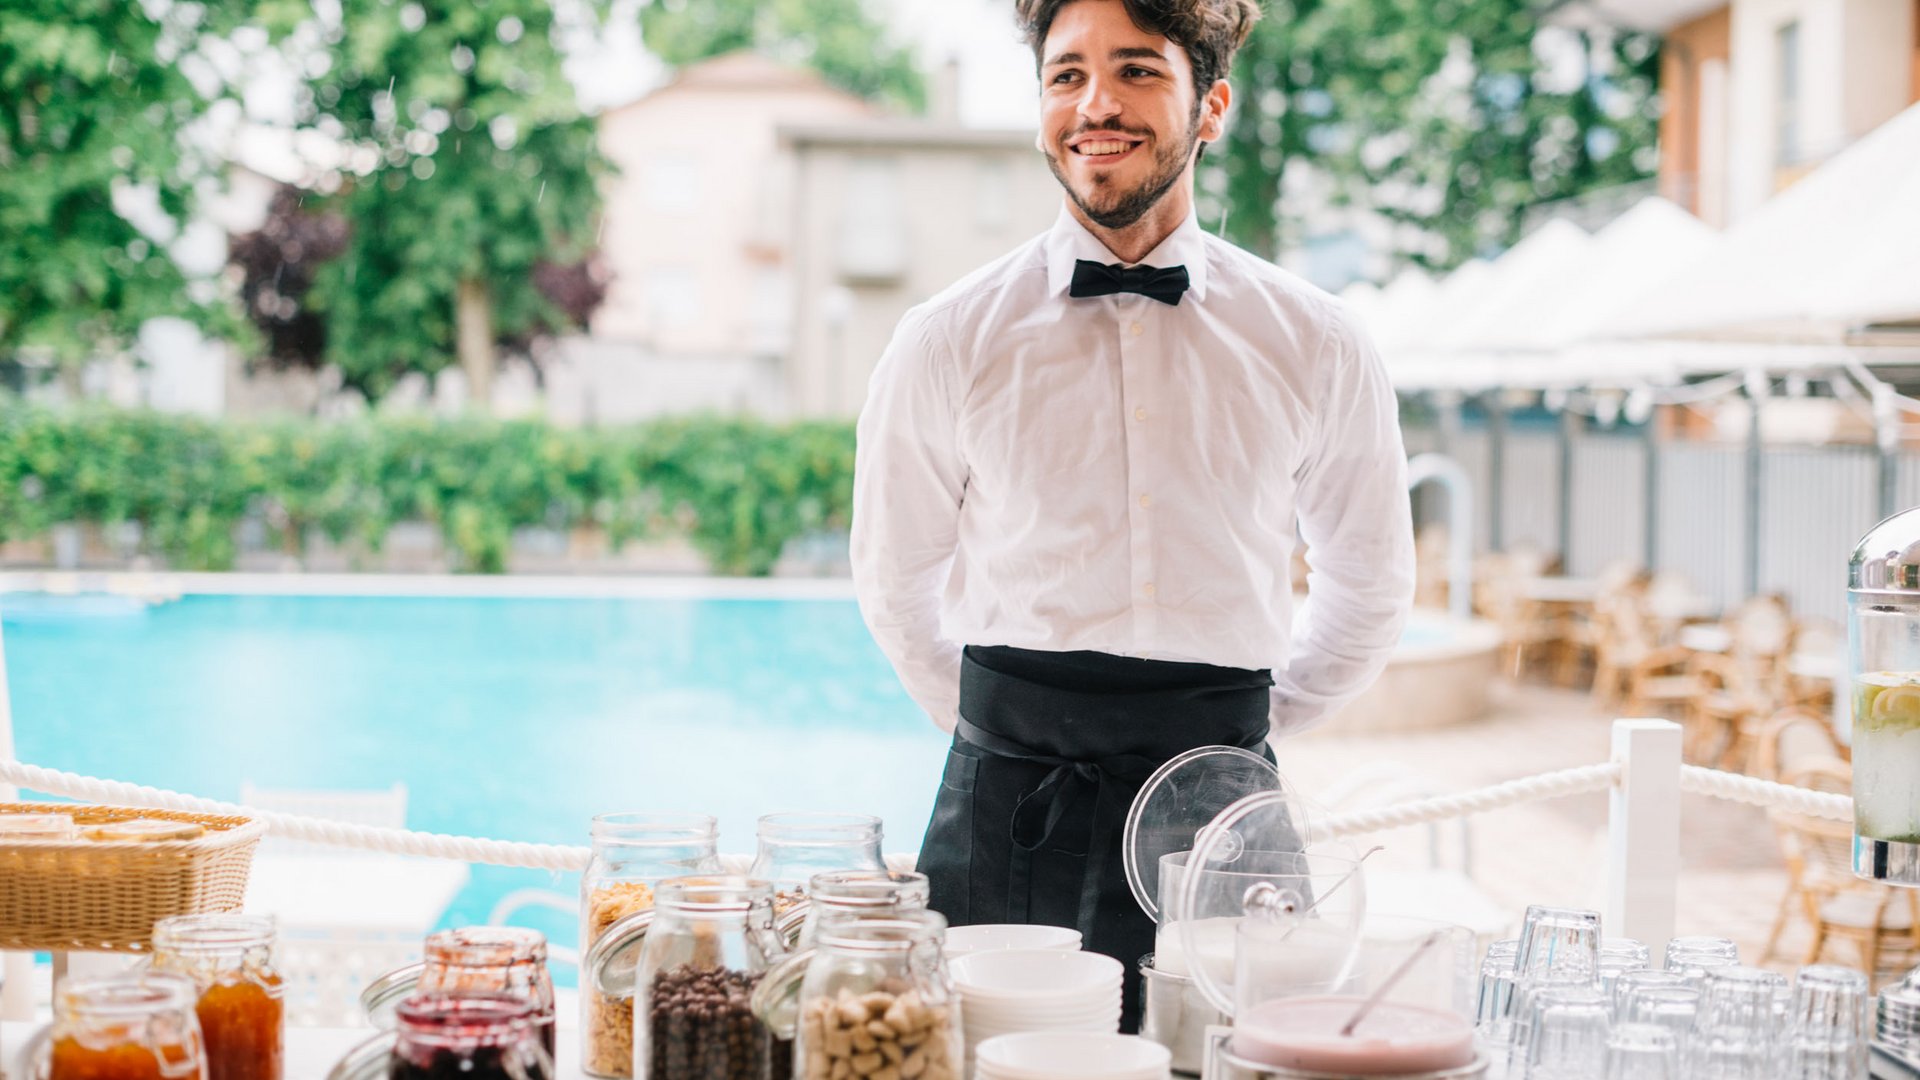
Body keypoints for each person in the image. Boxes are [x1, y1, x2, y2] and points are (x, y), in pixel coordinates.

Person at [850, 0, 1415, 1031]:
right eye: (1066, 76)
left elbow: (1371, 586)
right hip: (1008, 795)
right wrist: (998, 729)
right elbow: (893, 585)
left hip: (1224, 803)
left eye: (1138, 72)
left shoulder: (1319, 342)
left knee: (1234, 1055)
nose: (1096, 106)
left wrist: (1244, 730)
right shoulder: (944, 340)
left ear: (1212, 106)